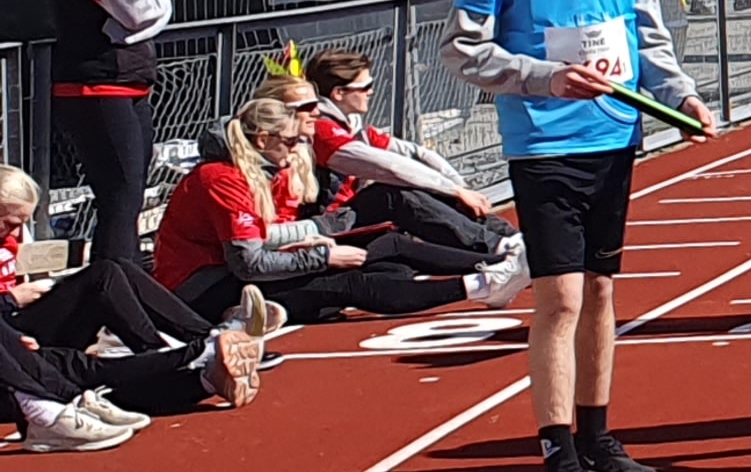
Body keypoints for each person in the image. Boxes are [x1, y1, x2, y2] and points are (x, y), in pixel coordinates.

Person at [450, 0, 715, 472]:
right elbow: (463, 49)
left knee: (600, 293)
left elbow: (644, 24)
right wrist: (544, 77)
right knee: (560, 298)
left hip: (615, 134)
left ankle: (597, 437)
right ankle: (557, 463)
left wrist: (679, 93)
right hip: (544, 140)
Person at [155, 94, 502, 328]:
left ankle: (495, 262)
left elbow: (260, 241)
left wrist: (307, 247)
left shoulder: (259, 169)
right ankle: (483, 283)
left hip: (246, 264)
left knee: (388, 262)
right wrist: (320, 256)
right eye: (290, 142)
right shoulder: (223, 179)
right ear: (262, 140)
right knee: (346, 282)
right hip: (201, 284)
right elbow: (247, 261)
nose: (296, 149)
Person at [3, 162, 265, 444]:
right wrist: (10, 299)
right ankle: (197, 364)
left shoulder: (8, 240)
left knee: (107, 273)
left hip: (15, 333)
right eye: (11, 223)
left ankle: (201, 344)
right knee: (81, 370)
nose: (17, 234)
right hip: (11, 339)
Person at [38, 0, 176, 268]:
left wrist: (153, 7)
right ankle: (114, 282)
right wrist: (152, 8)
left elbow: (151, 1)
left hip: (131, 74)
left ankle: (124, 275)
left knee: (132, 190)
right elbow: (133, 9)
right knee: (120, 191)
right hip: (94, 80)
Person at [296, 47, 519, 281]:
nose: (371, 91)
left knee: (426, 186)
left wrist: (459, 187)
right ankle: (497, 248)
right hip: (329, 222)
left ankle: (511, 239)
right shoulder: (322, 131)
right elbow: (389, 166)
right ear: (339, 93)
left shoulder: (352, 126)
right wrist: (454, 190)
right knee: (393, 194)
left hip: (350, 215)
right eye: (364, 87)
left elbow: (415, 154)